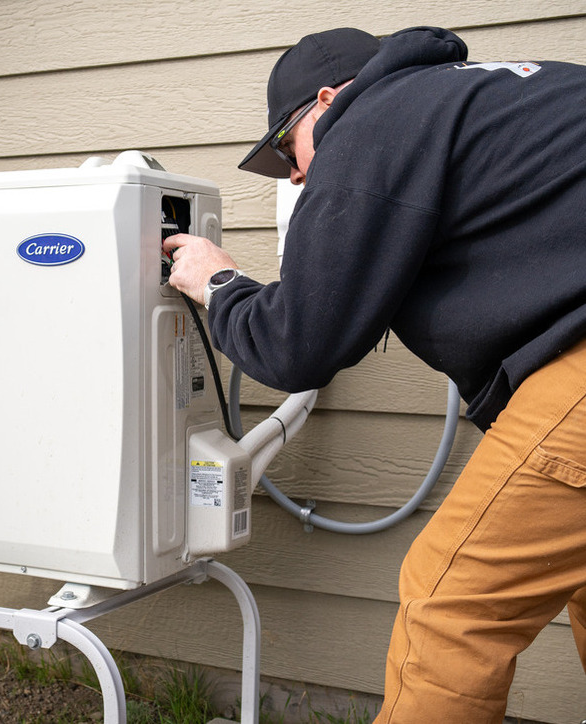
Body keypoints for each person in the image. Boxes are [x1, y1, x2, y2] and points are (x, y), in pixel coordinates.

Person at [162, 25, 586, 723]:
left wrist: (221, 283)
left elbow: (297, 346)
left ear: (326, 103)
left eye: (285, 150)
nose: (295, 175)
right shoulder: (487, 94)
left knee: (450, 604)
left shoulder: (372, 123)